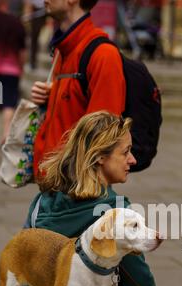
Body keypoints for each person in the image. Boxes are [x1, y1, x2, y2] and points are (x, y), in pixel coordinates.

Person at [14, 110, 177, 286]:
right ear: (100, 156)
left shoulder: (42, 199)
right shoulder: (115, 211)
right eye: (125, 152)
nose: (132, 160)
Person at [31, 0, 125, 179]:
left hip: (76, 188)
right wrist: (50, 97)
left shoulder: (103, 54)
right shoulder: (63, 48)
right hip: (53, 180)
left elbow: (104, 135)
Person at [0, 0, 26, 143]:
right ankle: (6, 133)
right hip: (11, 70)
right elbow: (22, 51)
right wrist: (21, 67)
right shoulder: (17, 23)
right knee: (8, 103)